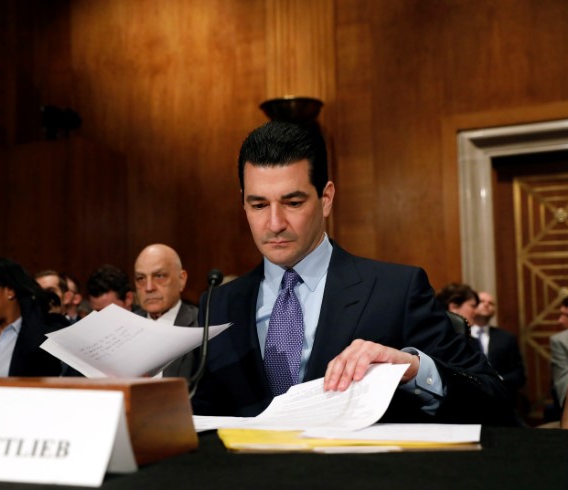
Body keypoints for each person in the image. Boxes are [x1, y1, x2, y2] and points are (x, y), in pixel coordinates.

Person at [191, 121, 512, 424]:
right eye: (259, 205)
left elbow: (494, 400)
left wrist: (414, 369)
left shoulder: (396, 291)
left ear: (326, 198)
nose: (274, 224)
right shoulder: (216, 305)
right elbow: (199, 415)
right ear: (243, 205)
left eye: (292, 203)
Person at [133, 243, 200, 382]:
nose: (149, 287)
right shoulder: (123, 326)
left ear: (181, 279)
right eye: (141, 278)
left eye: (159, 276)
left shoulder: (202, 325)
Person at [471, 291, 526, 404]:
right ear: (472, 307)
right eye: (482, 301)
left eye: (491, 303)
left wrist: (499, 380)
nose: (487, 304)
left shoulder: (507, 338)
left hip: (500, 397)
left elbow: (519, 373)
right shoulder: (461, 335)